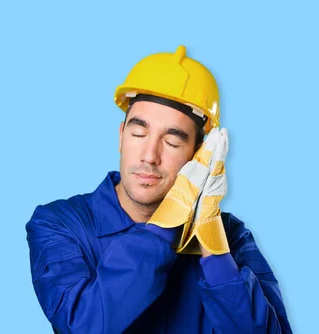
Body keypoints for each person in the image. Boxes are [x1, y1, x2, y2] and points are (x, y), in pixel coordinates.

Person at [25, 45, 293, 333]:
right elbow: (83, 325)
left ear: (199, 155)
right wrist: (168, 221)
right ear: (120, 136)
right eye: (138, 133)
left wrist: (215, 254)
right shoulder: (60, 223)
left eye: (173, 142)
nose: (149, 155)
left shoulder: (230, 238)